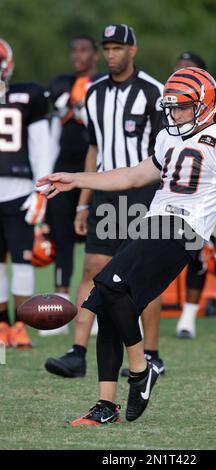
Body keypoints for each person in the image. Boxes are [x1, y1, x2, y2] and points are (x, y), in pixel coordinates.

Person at [38, 66, 216, 424]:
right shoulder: (169, 139)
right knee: (105, 304)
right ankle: (106, 405)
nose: (174, 114)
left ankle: (141, 370)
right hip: (153, 224)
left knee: (108, 284)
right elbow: (132, 175)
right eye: (170, 106)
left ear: (204, 105)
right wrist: (76, 179)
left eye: (182, 106)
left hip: (184, 228)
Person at [44, 24, 165, 378]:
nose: (111, 54)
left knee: (146, 276)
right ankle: (77, 352)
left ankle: (152, 354)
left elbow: (164, 152)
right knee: (93, 268)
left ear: (133, 50)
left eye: (117, 48)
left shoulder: (154, 92)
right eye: (107, 48)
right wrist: (84, 200)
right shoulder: (94, 93)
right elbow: (93, 150)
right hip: (106, 193)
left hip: (145, 193)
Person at [40, 34, 101, 337]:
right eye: (74, 50)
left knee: (99, 243)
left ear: (96, 55)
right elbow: (60, 111)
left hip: (98, 171)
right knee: (62, 238)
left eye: (84, 50)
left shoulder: (104, 83)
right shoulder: (60, 82)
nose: (78, 56)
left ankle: (96, 305)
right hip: (64, 170)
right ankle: (58, 309)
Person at [173, 52, 216, 339]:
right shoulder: (168, 107)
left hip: (203, 195)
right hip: (168, 189)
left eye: (190, 70)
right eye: (179, 70)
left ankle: (188, 317)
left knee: (197, 254)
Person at [0, 38, 50, 348]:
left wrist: (40, 190)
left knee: (21, 262)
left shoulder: (28, 96)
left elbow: (40, 145)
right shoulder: (26, 94)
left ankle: (19, 325)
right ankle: (4, 325)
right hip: (17, 188)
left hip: (19, 190)